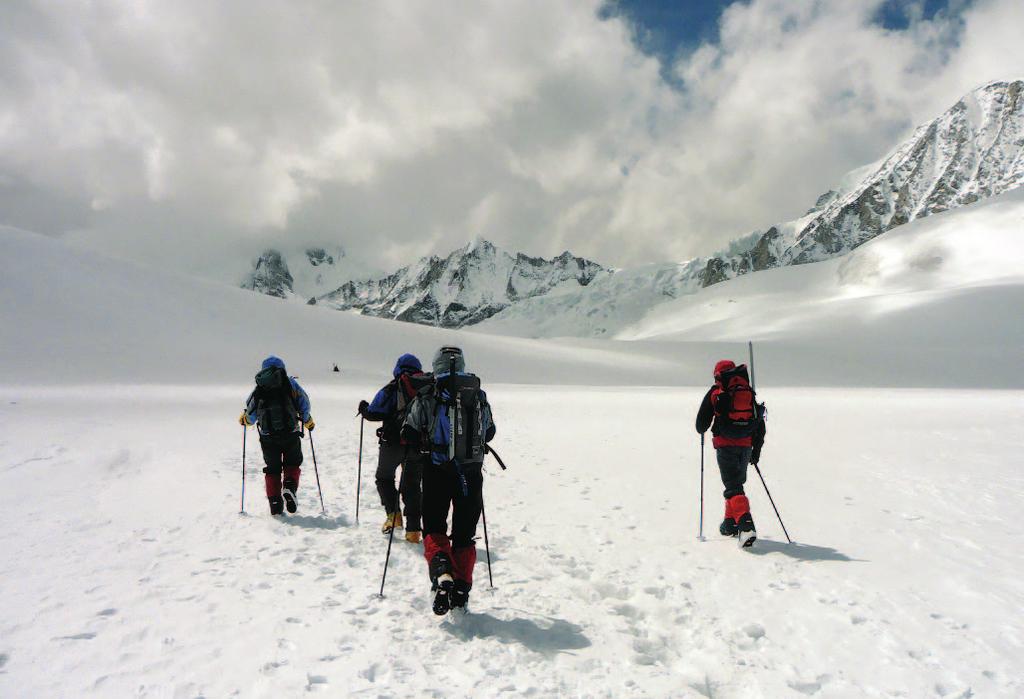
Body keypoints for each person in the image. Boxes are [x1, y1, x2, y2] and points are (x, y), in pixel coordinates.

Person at [401, 346, 496, 615]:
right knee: (465, 534)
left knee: (433, 527)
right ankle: (462, 590)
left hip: (437, 470)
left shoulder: (428, 393)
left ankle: (442, 572)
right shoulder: (477, 394)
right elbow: (489, 431)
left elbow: (408, 430)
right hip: (471, 473)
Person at [358, 354, 431, 543]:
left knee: (384, 477)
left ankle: (393, 515)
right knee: (412, 486)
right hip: (418, 446)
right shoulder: (428, 388)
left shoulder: (393, 387)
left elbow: (374, 412)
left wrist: (364, 408)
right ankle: (413, 530)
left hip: (392, 443)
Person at [695, 359, 765, 547]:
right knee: (736, 484)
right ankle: (730, 523)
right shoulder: (747, 391)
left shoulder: (716, 392)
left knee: (733, 486)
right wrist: (755, 451)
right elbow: (760, 423)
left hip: (725, 445)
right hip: (746, 445)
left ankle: (745, 523)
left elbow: (700, 424)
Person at [239, 356, 315, 516]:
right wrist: (308, 421)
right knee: (292, 463)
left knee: (272, 469)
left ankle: (274, 502)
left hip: (268, 436)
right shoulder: (290, 383)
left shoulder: (260, 387)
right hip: (291, 433)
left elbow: (251, 413)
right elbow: (304, 404)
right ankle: (289, 486)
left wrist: (245, 420)